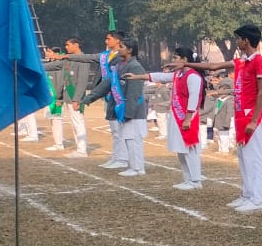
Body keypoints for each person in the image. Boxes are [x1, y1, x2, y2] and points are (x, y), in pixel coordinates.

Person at [197, 24, 262, 211]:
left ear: (246, 40)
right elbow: (213, 66)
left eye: (239, 39)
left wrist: (254, 120)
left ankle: (257, 199)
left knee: (254, 158)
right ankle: (247, 194)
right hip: (240, 114)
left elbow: (261, 92)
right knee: (243, 157)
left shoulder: (258, 61)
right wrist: (188, 64)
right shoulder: (242, 62)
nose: (237, 42)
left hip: (251, 115)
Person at [83, 35, 148, 177]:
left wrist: (128, 113)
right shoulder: (119, 65)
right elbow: (107, 84)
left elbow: (134, 93)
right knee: (128, 138)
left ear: (129, 50)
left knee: (134, 139)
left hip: (134, 110)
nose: (118, 49)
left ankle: (138, 168)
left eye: (121, 47)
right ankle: (134, 166)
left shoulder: (135, 67)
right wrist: (90, 98)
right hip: (124, 109)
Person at [147, 46, 205, 189]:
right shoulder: (178, 74)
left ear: (184, 59)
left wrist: (187, 118)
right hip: (177, 116)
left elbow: (193, 99)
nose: (173, 60)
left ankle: (195, 180)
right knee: (181, 149)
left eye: (175, 58)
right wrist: (137, 77)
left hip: (187, 117)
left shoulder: (193, 76)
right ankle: (187, 179)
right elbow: (160, 77)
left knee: (190, 148)